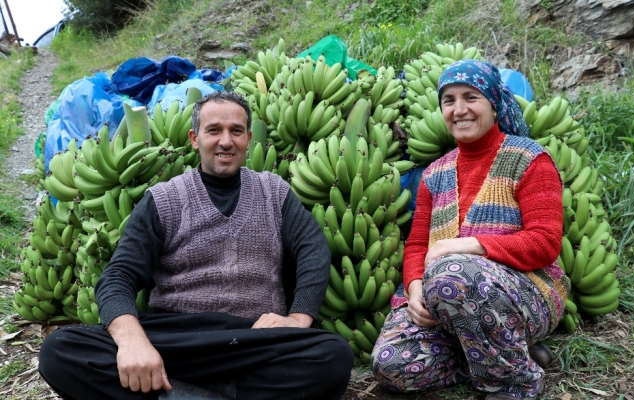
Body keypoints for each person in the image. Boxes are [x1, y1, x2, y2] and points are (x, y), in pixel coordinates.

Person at [38, 91, 353, 400]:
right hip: (177, 339)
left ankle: (175, 394)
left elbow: (313, 249)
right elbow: (119, 275)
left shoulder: (274, 193)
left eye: (236, 131)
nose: (226, 141)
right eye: (214, 130)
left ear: (247, 139)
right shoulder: (164, 199)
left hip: (252, 340)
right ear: (194, 138)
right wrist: (133, 342)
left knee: (333, 357)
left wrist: (298, 319)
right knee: (59, 351)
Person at [370, 60, 570, 400]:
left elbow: (546, 242)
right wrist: (416, 290)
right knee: (391, 365)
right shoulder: (434, 174)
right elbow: (418, 245)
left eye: (471, 97)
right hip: (446, 298)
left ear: (493, 103)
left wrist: (468, 246)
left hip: (525, 293)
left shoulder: (529, 159)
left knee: (452, 272)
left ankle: (515, 382)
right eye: (449, 100)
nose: (459, 110)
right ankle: (504, 356)